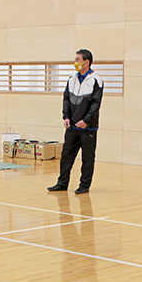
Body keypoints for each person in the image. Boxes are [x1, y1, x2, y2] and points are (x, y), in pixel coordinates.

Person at [47, 49, 103, 195]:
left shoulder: (96, 80)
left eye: (78, 59)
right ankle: (62, 183)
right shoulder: (71, 78)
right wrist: (66, 116)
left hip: (88, 128)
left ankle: (84, 186)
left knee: (87, 159)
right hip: (72, 127)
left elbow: (96, 104)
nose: (75, 62)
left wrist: (86, 121)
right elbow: (66, 98)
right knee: (66, 156)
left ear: (86, 62)